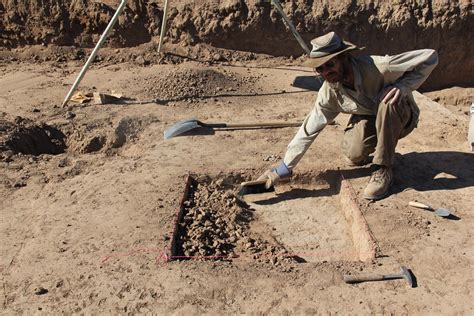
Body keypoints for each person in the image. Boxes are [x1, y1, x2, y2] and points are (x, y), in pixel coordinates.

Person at [258, 31, 439, 200]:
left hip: (400, 115)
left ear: (344, 58)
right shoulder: (329, 91)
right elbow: (309, 128)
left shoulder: (380, 67)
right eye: (320, 69)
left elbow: (430, 56)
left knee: (387, 101)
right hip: (370, 115)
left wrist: (402, 87)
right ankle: (373, 143)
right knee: (354, 155)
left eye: (330, 64)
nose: (326, 72)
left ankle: (383, 168)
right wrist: (284, 168)